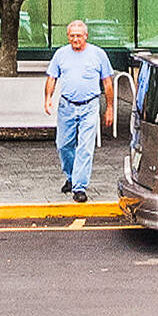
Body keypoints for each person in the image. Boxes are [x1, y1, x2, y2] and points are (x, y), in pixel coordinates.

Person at [41, 20, 114, 204]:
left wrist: (110, 108)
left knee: (85, 147)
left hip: (90, 106)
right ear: (68, 36)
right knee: (63, 145)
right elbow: (52, 78)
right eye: (72, 36)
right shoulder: (61, 54)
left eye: (79, 36)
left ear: (86, 36)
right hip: (67, 106)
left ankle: (79, 187)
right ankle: (72, 176)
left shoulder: (98, 54)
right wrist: (48, 98)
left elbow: (107, 83)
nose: (75, 39)